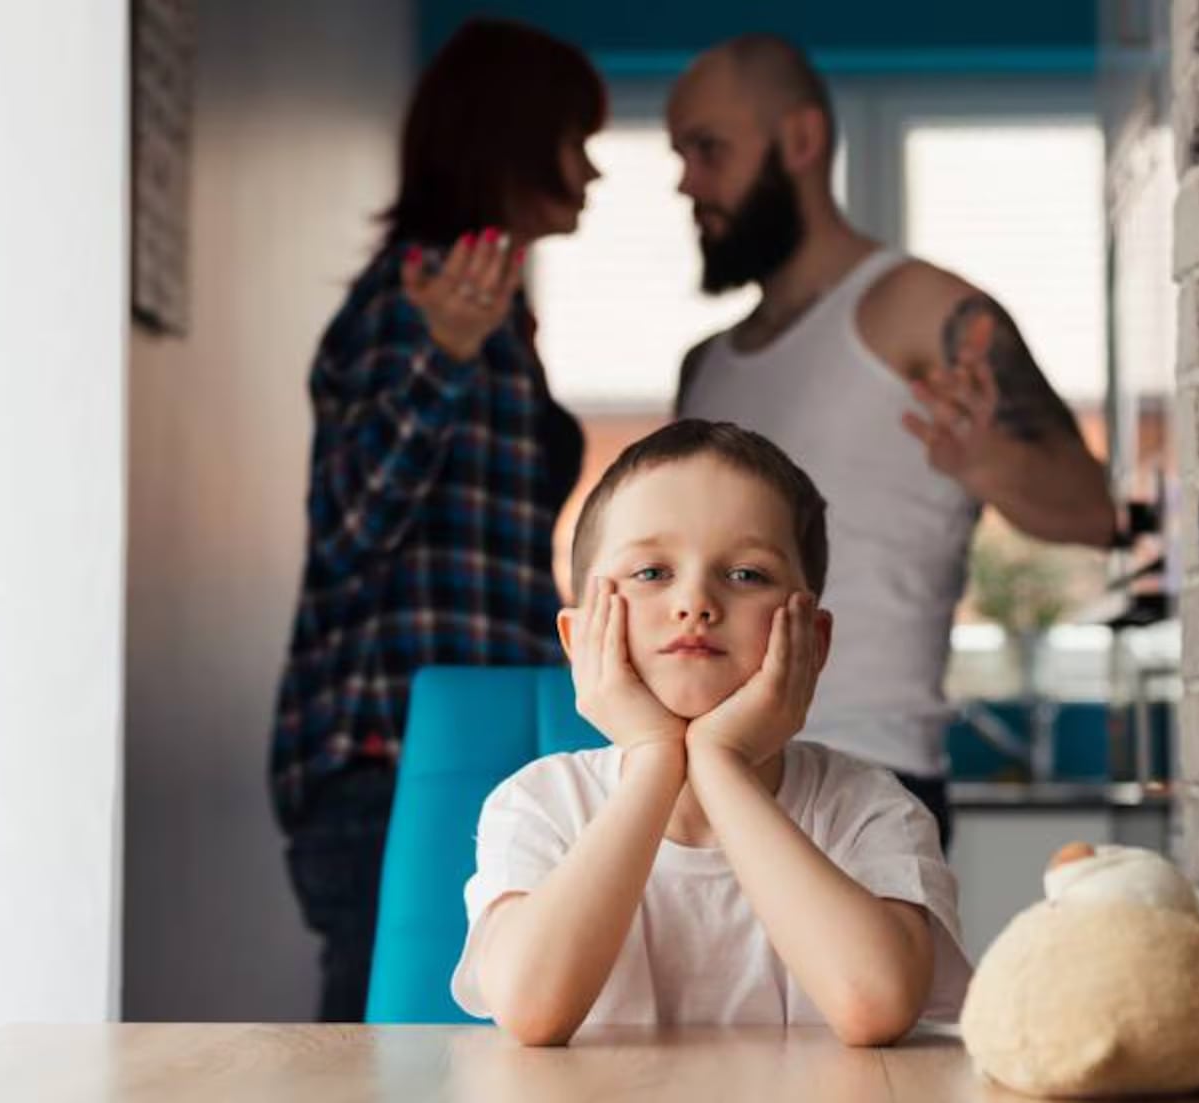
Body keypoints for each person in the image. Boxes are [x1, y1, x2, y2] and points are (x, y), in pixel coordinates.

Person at [668, 36, 1117, 847]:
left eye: (708, 149)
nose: (686, 181)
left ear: (801, 141)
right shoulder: (704, 366)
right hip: (700, 777)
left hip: (865, 779)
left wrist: (987, 462)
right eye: (680, 154)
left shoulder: (924, 310)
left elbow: (1092, 511)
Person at [268, 18, 605, 1022]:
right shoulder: (418, 300)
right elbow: (348, 527)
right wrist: (441, 358)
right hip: (392, 756)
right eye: (574, 137)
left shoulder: (490, 308)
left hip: (458, 745)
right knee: (396, 1058)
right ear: (513, 135)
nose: (589, 169)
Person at [450, 420, 968, 1045]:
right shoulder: (537, 804)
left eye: (747, 574)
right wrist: (653, 759)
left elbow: (877, 1006)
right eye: (651, 573)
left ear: (813, 640)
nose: (695, 601)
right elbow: (532, 1009)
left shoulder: (869, 808)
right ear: (577, 638)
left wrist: (720, 764)